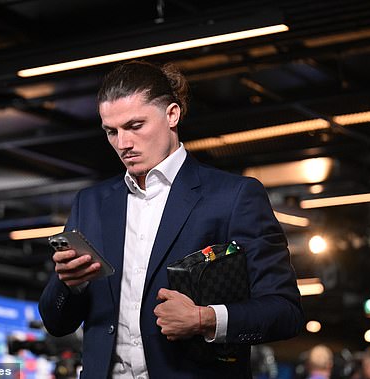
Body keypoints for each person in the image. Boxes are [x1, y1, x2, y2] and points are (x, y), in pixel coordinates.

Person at [39, 60, 303, 378]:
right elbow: (56, 323)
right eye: (112, 131)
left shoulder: (233, 196)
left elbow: (285, 311)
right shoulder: (91, 204)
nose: (123, 143)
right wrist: (70, 285)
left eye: (135, 126)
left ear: (172, 115)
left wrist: (205, 318)